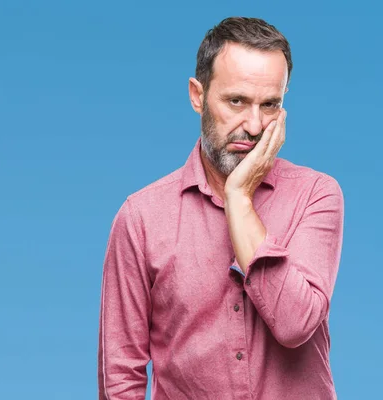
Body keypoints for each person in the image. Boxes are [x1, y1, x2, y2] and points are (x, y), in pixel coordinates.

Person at [97, 16, 344, 400]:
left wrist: (240, 198)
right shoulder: (141, 218)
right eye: (236, 101)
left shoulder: (316, 196)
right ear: (198, 95)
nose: (255, 124)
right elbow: (120, 373)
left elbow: (295, 324)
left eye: (270, 105)